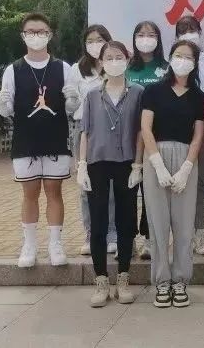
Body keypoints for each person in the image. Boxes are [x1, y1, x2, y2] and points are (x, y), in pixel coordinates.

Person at [0, 13, 78, 268]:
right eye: (31, 31)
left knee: (54, 191)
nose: (36, 36)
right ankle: (29, 245)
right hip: (26, 140)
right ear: (23, 36)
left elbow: (72, 109)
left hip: (55, 139)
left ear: (49, 35)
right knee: (29, 193)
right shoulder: (13, 69)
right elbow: (6, 109)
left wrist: (73, 100)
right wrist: (2, 104)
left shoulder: (63, 68)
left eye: (41, 31)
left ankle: (55, 244)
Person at [76, 41, 143, 308]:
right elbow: (85, 132)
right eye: (109, 57)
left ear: (127, 59)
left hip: (127, 162)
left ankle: (123, 279)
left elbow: (141, 132)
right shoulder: (93, 95)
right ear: (101, 62)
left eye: (119, 57)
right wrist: (82, 164)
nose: (114, 61)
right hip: (98, 162)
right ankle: (101, 281)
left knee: (126, 221)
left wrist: (138, 165)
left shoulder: (138, 92)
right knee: (99, 222)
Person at [141, 39, 204, 308]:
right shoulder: (154, 91)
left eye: (189, 57)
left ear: (195, 63)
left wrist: (186, 168)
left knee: (183, 223)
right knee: (158, 223)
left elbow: (198, 135)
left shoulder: (198, 96)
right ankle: (162, 280)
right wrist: (156, 163)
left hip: (185, 158)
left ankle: (180, 279)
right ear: (170, 57)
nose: (183, 61)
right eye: (179, 55)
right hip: (155, 155)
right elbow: (146, 128)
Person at [66, 24, 117, 257]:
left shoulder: (114, 65)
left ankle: (112, 234)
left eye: (100, 40)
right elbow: (70, 105)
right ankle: (90, 233)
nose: (95, 45)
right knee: (86, 184)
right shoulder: (77, 69)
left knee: (112, 185)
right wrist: (71, 100)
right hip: (83, 130)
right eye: (90, 41)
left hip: (111, 129)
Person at [174, 15, 204, 256]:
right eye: (183, 30)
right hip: (179, 130)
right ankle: (182, 234)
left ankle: (199, 233)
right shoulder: (172, 62)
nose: (189, 34)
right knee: (180, 181)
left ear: (200, 32)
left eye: (193, 29)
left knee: (201, 181)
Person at [125, 20, 168, 261]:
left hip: (156, 138)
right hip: (128, 138)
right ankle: (128, 238)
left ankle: (151, 238)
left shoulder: (166, 68)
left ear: (158, 39)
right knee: (127, 192)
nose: (146, 38)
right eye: (141, 34)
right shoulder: (126, 67)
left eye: (151, 34)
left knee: (151, 192)